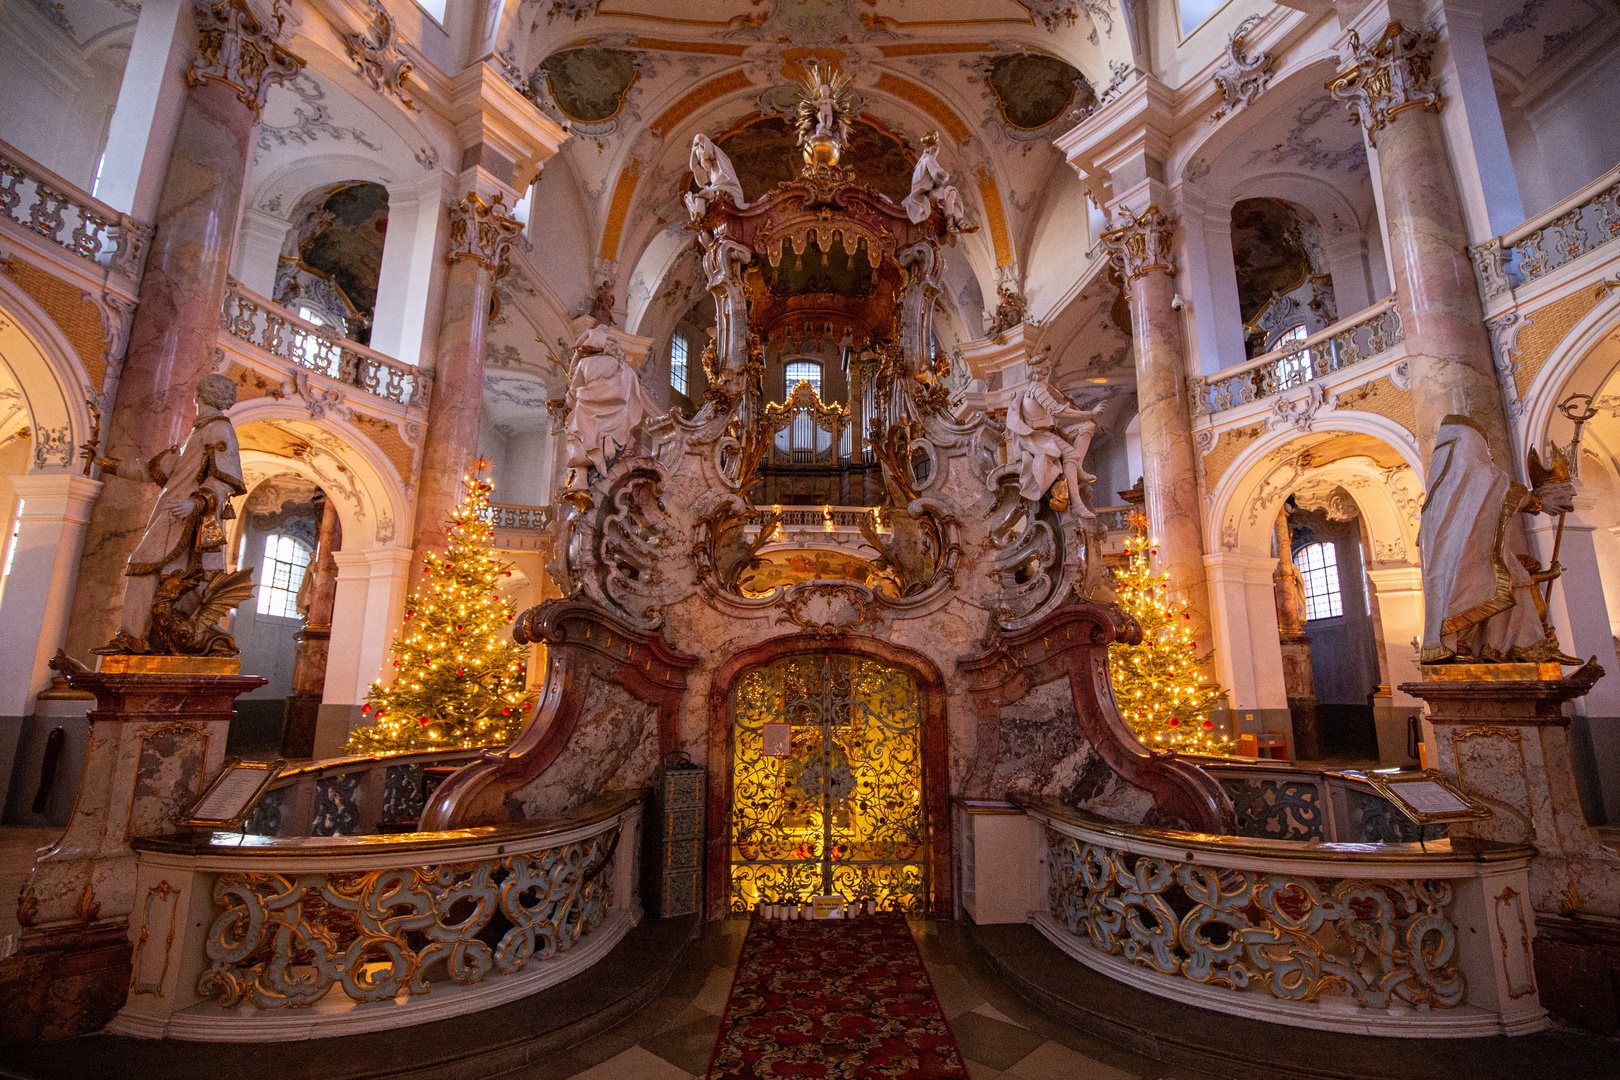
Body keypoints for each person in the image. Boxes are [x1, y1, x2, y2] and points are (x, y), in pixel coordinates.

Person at [100, 373, 247, 649]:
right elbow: (155, 470)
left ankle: (136, 637)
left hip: (187, 514)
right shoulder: (198, 431)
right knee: (166, 572)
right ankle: (146, 638)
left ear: (200, 395)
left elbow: (225, 480)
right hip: (171, 510)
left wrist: (194, 503)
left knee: (148, 565)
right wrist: (107, 464)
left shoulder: (219, 430)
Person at [1418, 414, 1577, 664]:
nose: (1486, 457)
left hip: (1472, 554)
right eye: (1483, 449)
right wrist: (1536, 501)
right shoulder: (1468, 479)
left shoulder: (1437, 494)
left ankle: (1513, 648)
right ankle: (1468, 646)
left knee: (1517, 581)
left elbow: (1488, 490)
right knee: (1476, 591)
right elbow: (1491, 485)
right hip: (1466, 560)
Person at [562, 326, 661, 490]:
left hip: (587, 415)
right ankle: (607, 437)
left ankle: (580, 480)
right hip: (616, 420)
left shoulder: (585, 363)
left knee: (575, 438)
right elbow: (634, 402)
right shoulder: (628, 372)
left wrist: (571, 399)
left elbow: (572, 397)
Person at [1002, 356, 1102, 515]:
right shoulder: (1037, 389)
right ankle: (1077, 504)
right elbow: (1057, 410)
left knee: (1087, 427)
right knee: (1071, 454)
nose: (1049, 373)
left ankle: (1078, 469)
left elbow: (1052, 415)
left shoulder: (1034, 389)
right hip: (1042, 435)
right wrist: (1090, 412)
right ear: (1044, 371)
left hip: (1052, 432)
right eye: (1048, 369)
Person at [902, 132, 968, 228]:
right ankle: (954, 224)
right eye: (937, 147)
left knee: (950, 194)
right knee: (952, 192)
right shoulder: (929, 158)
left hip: (921, 194)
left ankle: (957, 223)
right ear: (934, 148)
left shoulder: (921, 161)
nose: (937, 149)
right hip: (925, 195)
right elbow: (937, 175)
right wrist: (946, 175)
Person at [684, 133, 746, 218]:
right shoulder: (709, 172)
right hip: (717, 189)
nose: (702, 166)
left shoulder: (720, 161)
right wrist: (693, 151)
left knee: (703, 193)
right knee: (698, 198)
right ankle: (697, 220)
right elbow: (693, 167)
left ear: (706, 157)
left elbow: (700, 137)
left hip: (729, 189)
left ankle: (698, 217)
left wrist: (696, 143)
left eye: (701, 160)